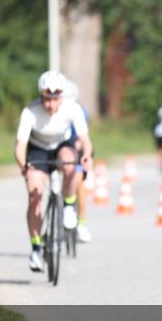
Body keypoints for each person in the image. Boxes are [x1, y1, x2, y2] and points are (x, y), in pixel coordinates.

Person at [14, 71, 93, 272]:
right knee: (35, 195)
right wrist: (24, 165)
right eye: (47, 100)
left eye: (55, 100)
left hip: (61, 145)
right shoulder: (30, 112)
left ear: (62, 97)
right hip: (38, 149)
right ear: (41, 96)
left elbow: (84, 140)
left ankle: (68, 205)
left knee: (72, 162)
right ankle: (36, 247)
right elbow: (20, 146)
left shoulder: (72, 109)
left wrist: (86, 156)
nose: (50, 105)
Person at [63, 81, 93, 243]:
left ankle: (81, 223)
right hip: (59, 149)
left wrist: (80, 149)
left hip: (77, 146)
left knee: (80, 183)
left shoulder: (80, 111)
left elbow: (82, 137)